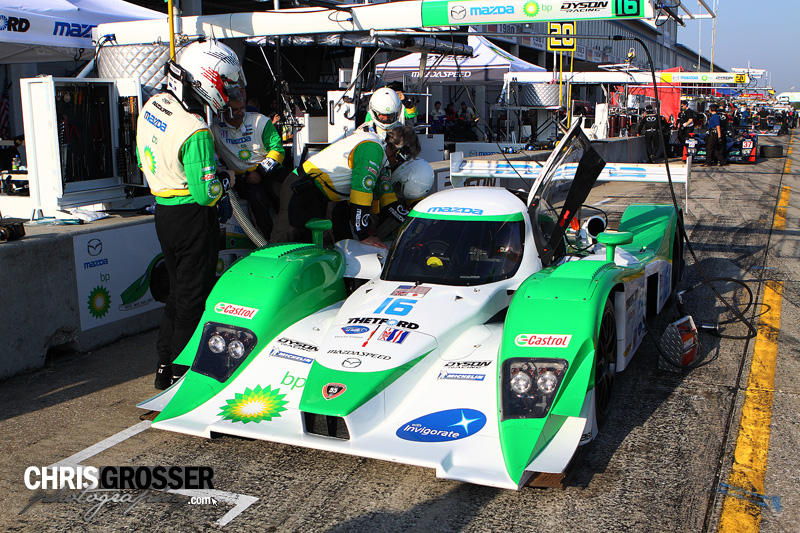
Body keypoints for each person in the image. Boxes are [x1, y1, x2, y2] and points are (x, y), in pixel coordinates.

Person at [136, 40, 243, 389]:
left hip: (163, 212)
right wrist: (226, 179)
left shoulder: (154, 104)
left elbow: (141, 159)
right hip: (192, 217)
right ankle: (182, 379)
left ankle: (163, 366)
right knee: (192, 301)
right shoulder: (195, 130)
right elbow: (205, 193)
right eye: (226, 85)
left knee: (177, 294)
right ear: (206, 78)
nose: (228, 93)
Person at [287, 125, 423, 247]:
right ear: (400, 151)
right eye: (401, 159)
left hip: (318, 193)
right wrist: (363, 235)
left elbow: (388, 197)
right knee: (284, 240)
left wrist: (414, 224)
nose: (398, 163)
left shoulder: (381, 154)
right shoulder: (373, 149)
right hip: (301, 185)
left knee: (308, 245)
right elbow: (361, 193)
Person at [212, 90, 284, 241]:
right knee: (256, 197)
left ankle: (297, 239)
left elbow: (278, 150)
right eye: (235, 110)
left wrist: (261, 172)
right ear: (224, 111)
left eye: (242, 108)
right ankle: (268, 243)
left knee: (282, 196)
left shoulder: (260, 121)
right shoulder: (214, 129)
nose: (240, 113)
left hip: (269, 171)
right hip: (244, 179)